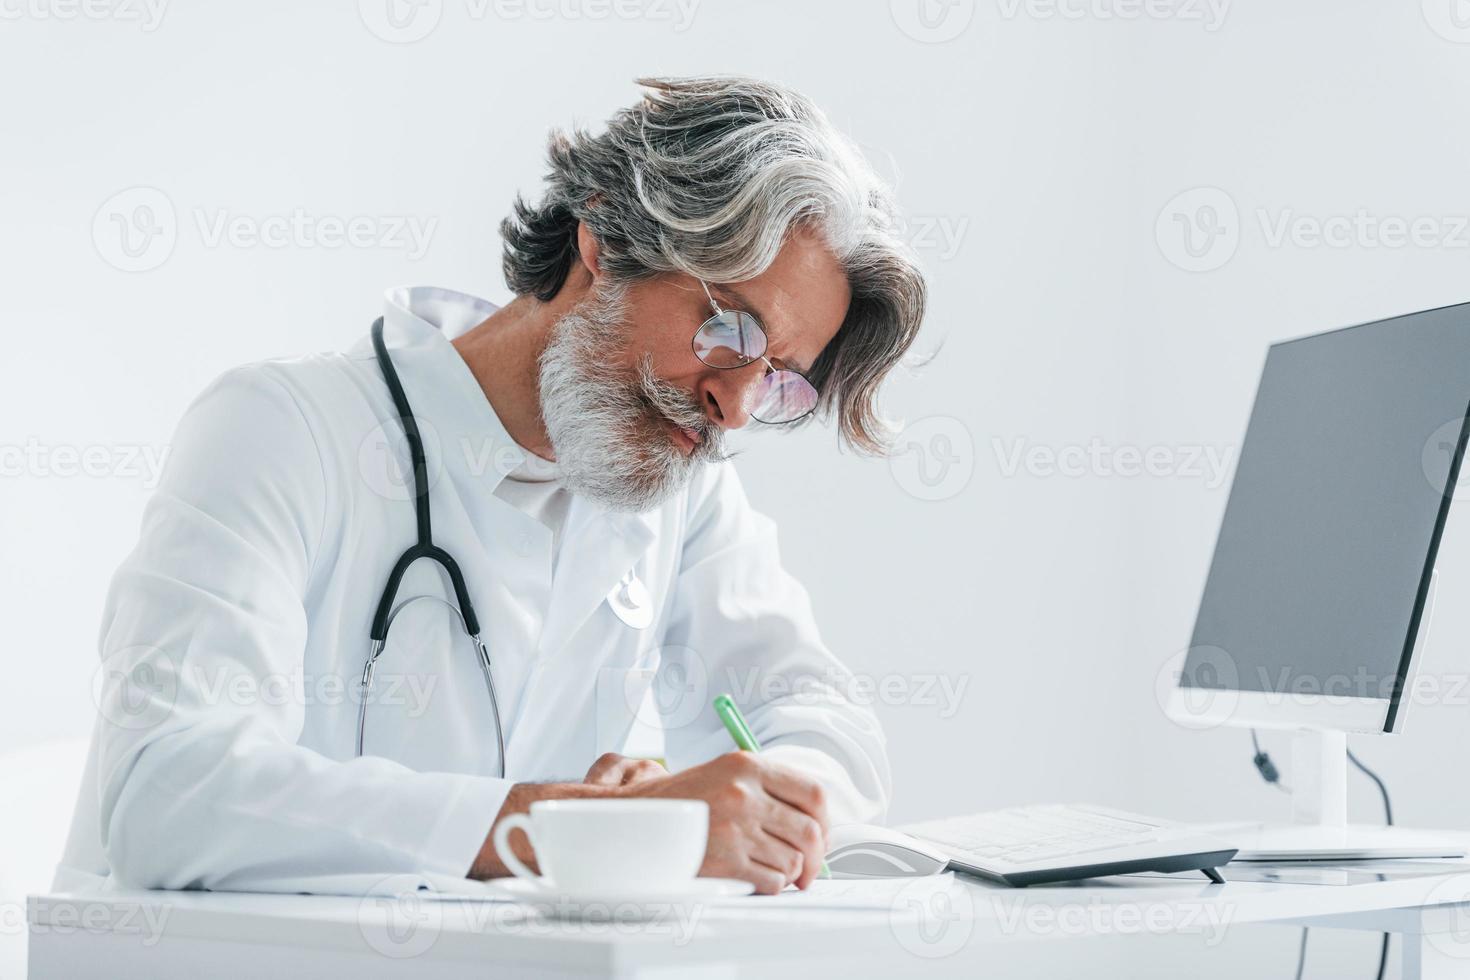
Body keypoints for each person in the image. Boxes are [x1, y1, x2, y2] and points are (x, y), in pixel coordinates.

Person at [57, 75, 927, 896]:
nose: (734, 409)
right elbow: (165, 793)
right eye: (729, 326)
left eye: (779, 376)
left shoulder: (680, 491)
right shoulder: (283, 426)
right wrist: (578, 827)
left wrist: (736, 803)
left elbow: (830, 730)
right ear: (603, 241)